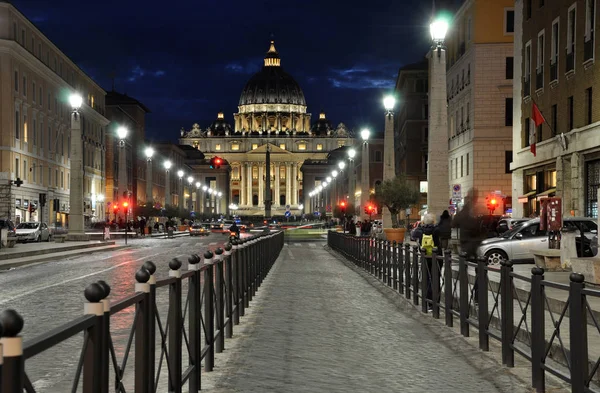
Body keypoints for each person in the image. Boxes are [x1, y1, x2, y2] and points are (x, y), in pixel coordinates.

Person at [413, 213, 441, 311]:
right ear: (433, 221)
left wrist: (420, 224)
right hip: (437, 257)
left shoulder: (420, 230)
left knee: (426, 278)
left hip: (425, 257)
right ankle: (435, 303)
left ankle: (427, 302)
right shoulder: (437, 230)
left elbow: (413, 235)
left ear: (424, 221)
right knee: (435, 279)